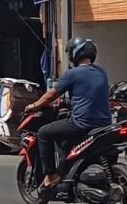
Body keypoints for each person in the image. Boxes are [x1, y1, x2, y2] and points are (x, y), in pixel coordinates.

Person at [24, 37, 111, 195]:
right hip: (105, 124)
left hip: (81, 123)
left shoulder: (72, 74)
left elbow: (51, 95)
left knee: (44, 133)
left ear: (75, 54)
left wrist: (34, 105)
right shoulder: (101, 72)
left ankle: (51, 176)